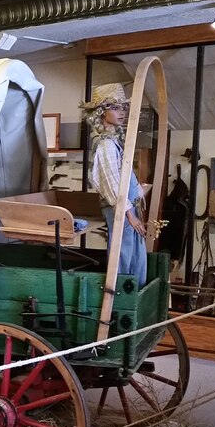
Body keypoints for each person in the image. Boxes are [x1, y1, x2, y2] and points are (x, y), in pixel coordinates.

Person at [80, 83, 147, 288]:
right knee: (123, 252)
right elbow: (110, 182)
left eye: (123, 108)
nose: (122, 112)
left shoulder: (112, 140)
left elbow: (119, 175)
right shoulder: (105, 143)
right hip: (120, 209)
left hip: (125, 206)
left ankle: (132, 291)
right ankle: (121, 294)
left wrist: (137, 187)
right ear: (101, 111)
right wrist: (129, 213)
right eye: (115, 107)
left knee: (133, 251)